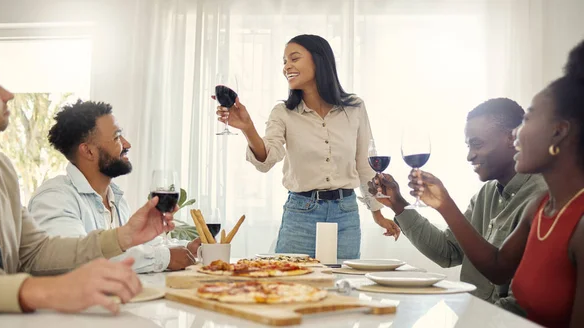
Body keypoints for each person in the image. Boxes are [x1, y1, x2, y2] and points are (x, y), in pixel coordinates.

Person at [404, 40, 584, 327]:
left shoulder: (573, 219)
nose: (517, 135)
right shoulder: (538, 208)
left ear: (558, 133)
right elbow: (497, 268)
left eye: (528, 118)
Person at [0, 52, 176, 314]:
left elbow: (36, 253)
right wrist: (35, 291)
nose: (9, 94)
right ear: (88, 151)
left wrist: (124, 236)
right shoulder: (55, 195)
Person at [215, 34, 400, 259]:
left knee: (340, 285)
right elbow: (266, 160)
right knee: (291, 287)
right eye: (284, 61)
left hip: (346, 215)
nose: (287, 67)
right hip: (300, 215)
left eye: (294, 58)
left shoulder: (354, 108)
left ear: (319, 60)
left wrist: (377, 214)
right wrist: (248, 128)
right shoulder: (283, 112)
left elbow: (365, 165)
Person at [369, 98, 547, 314]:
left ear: (512, 138)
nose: (470, 155)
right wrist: (398, 204)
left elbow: (518, 306)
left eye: (477, 144)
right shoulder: (486, 193)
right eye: (468, 145)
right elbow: (448, 252)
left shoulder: (542, 198)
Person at [28, 100, 199, 273]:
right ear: (88, 151)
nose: (127, 144)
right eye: (117, 137)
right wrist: (164, 258)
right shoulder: (55, 198)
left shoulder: (115, 198)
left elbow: (137, 245)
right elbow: (75, 259)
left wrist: (188, 247)